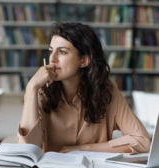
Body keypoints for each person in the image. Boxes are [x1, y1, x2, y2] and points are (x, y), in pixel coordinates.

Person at [17, 23, 150, 154]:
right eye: (51, 51)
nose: (52, 59)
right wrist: (31, 88)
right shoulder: (41, 91)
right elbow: (27, 150)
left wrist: (83, 148)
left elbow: (142, 141)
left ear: (84, 61)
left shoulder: (107, 91)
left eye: (62, 52)